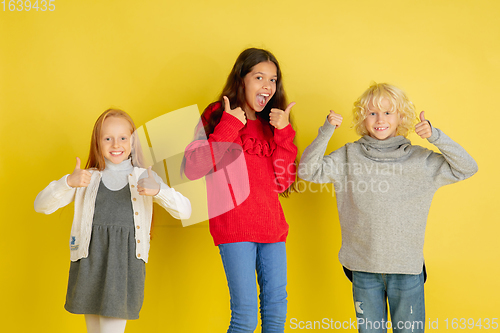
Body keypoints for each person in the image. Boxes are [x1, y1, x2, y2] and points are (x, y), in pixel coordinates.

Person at [298, 83, 477, 333]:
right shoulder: (348, 156)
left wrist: (435, 136)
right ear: (363, 118)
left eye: (388, 112)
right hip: (363, 268)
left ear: (401, 117)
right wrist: (327, 131)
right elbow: (308, 172)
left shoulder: (420, 160)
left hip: (406, 268)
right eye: (372, 113)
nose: (379, 119)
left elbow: (467, 167)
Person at [34, 109, 191, 333]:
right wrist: (68, 182)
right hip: (89, 263)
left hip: (125, 266)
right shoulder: (86, 178)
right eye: (107, 138)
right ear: (97, 142)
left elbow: (185, 210)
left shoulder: (144, 177)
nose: (115, 144)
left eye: (123, 138)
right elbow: (41, 205)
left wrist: (158, 191)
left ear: (132, 141)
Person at [183, 48, 297, 332]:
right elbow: (193, 168)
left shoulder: (274, 124)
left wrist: (284, 133)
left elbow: (284, 181)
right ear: (241, 79)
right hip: (234, 227)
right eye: (259, 77)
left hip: (272, 228)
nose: (267, 86)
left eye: (273, 80)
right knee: (244, 316)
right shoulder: (217, 115)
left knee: (275, 314)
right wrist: (229, 126)